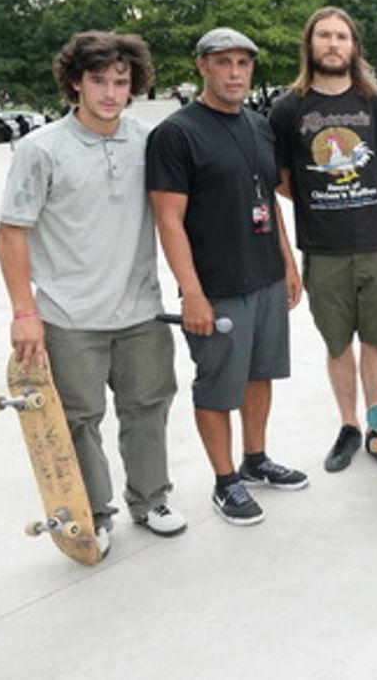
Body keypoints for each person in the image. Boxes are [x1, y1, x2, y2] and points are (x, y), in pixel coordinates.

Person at [0, 32, 184, 557]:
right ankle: (93, 513)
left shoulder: (150, 142)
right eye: (98, 81)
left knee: (147, 407)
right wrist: (23, 312)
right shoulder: (40, 150)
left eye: (120, 83)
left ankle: (151, 501)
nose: (109, 93)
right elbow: (11, 235)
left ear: (134, 86)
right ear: (75, 81)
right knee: (79, 422)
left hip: (141, 310)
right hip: (69, 316)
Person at [147, 27, 308, 526]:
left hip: (264, 278)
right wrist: (192, 293)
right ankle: (224, 482)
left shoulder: (259, 125)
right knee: (218, 386)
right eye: (224, 63)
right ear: (202, 67)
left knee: (261, 375)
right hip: (216, 287)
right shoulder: (176, 134)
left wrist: (287, 260)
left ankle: (255, 460)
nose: (235, 73)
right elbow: (168, 219)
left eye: (243, 63)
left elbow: (269, 199)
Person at [270, 7, 377, 473]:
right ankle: (350, 426)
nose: (333, 44)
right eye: (324, 36)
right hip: (323, 250)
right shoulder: (288, 108)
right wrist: (315, 197)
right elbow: (277, 178)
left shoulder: (374, 102)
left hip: (376, 243)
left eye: (342, 36)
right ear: (310, 44)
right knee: (338, 344)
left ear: (353, 46)